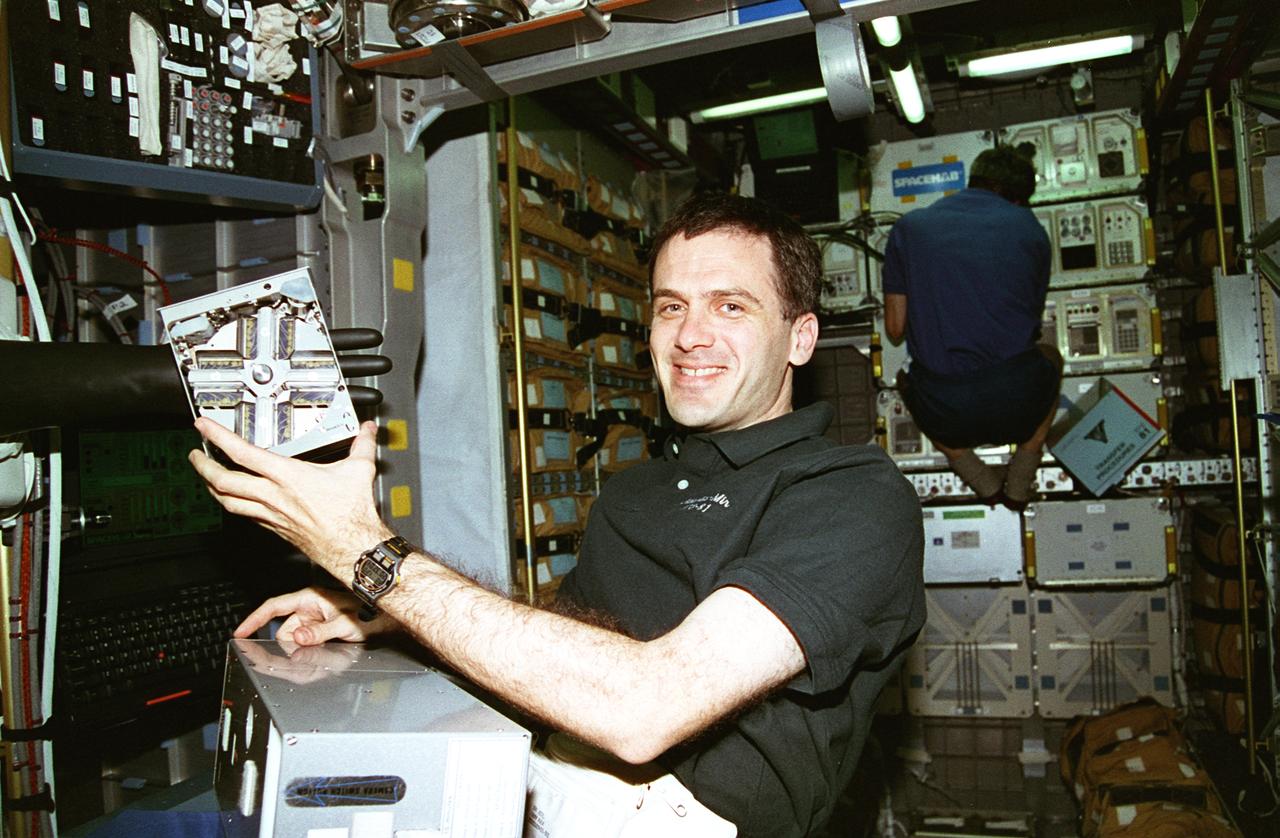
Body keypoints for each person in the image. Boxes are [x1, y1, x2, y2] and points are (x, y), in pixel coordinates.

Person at [190, 192, 925, 838]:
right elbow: (561, 664)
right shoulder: (636, 491)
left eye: (731, 306)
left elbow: (646, 706)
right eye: (672, 306)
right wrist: (391, 616)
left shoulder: (851, 493)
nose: (690, 335)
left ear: (800, 337)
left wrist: (368, 555)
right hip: (546, 760)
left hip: (671, 813)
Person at [881, 145, 1062, 509]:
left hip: (947, 409)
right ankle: (1023, 471)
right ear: (1018, 199)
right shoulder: (1032, 231)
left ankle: (980, 479)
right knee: (1051, 359)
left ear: (973, 180)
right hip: (1019, 401)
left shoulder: (910, 227)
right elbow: (1030, 323)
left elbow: (896, 328)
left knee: (906, 381)